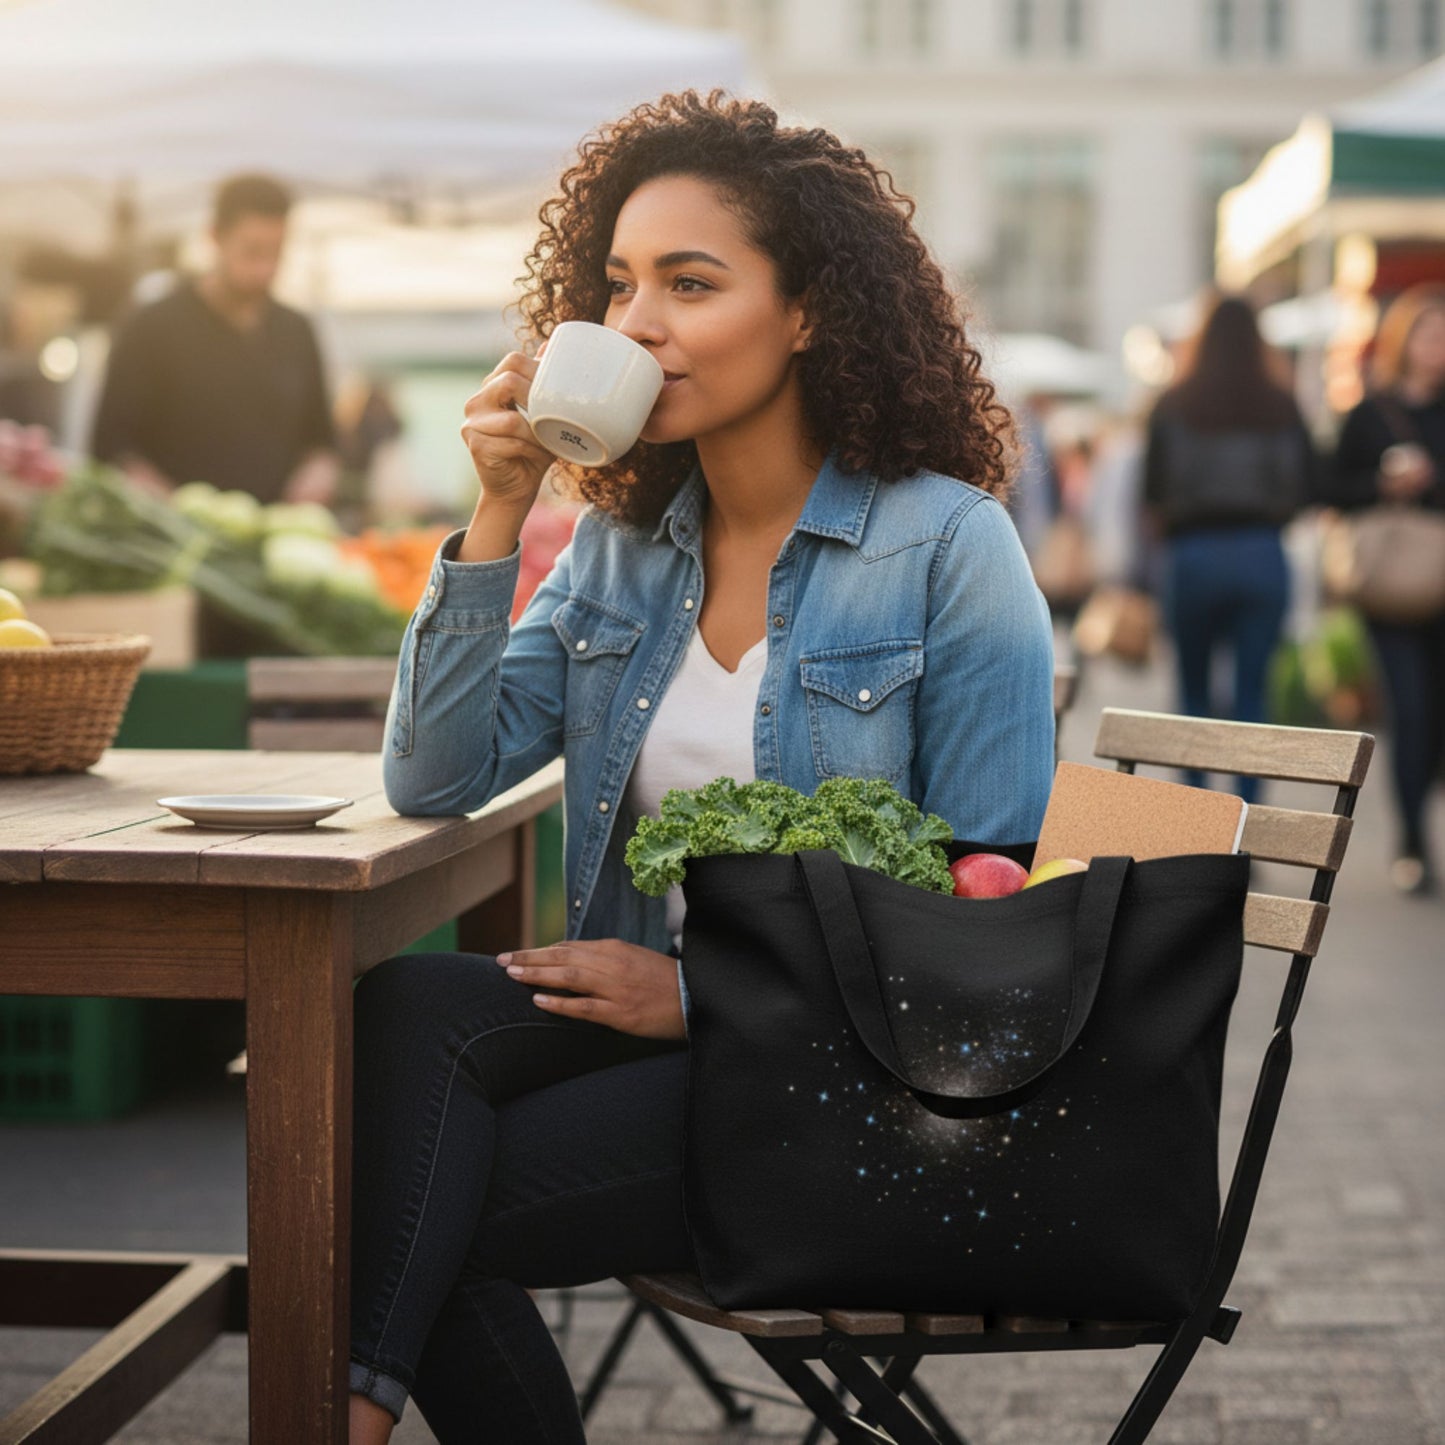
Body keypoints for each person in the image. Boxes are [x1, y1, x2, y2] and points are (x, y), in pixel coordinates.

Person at [349, 91, 1056, 1445]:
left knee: (404, 1197)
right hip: (665, 1048)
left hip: (848, 1081)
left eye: (689, 283)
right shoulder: (620, 551)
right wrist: (499, 508)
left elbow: (987, 922)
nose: (636, 324)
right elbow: (436, 777)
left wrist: (697, 995)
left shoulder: (947, 548)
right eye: (618, 285)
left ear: (807, 314)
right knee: (405, 1007)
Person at [1142, 294, 1313, 804]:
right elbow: (1304, 487)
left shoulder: (1173, 404)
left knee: (1192, 694)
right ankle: (1248, 814)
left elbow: (1152, 491)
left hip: (1193, 554)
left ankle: (1198, 817)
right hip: (1262, 553)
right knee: (1252, 694)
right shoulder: (1281, 405)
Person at [90, 173, 337, 505]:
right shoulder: (150, 327)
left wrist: (318, 472)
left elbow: (321, 440)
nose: (264, 268)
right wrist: (174, 511)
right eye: (252, 252)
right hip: (173, 530)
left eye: (276, 252)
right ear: (215, 236)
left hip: (276, 527)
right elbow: (111, 449)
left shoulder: (298, 331)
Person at [1325, 284, 1445, 895]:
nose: (1436, 346)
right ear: (1403, 341)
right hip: (1391, 591)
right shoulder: (1370, 413)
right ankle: (1413, 841)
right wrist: (1383, 485)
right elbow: (1329, 489)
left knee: (1436, 716)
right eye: (1427, 334)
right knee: (1412, 710)